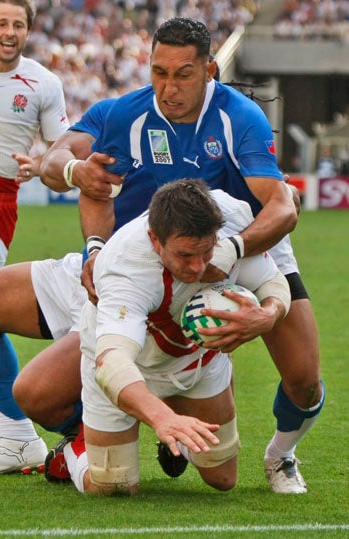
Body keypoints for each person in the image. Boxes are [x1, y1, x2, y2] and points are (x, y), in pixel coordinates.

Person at [39, 17, 323, 494]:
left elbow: (283, 208)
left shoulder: (240, 116)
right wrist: (74, 176)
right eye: (159, 72)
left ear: (210, 69)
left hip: (247, 241)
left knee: (305, 380)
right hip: (158, 256)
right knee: (46, 385)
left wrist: (235, 254)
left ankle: (281, 456)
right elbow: (57, 162)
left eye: (183, 74)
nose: (169, 87)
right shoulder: (124, 114)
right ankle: (137, 427)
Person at [49, 179, 291, 495]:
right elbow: (112, 364)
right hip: (126, 367)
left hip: (196, 360)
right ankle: (74, 450)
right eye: (185, 255)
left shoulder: (230, 216)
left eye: (206, 252)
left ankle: (180, 428)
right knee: (112, 487)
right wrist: (164, 419)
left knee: (223, 479)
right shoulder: (126, 268)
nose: (198, 266)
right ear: (155, 239)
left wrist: (269, 315)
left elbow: (272, 281)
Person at [0, 0, 69, 474]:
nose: (10, 32)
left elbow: (62, 154)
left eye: (19, 25)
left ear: (27, 31)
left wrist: (46, 168)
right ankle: (17, 438)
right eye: (2, 23)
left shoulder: (44, 84)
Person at [0, 251, 87, 475]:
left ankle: (90, 433)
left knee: (34, 392)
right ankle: (17, 439)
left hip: (132, 284)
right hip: (84, 269)